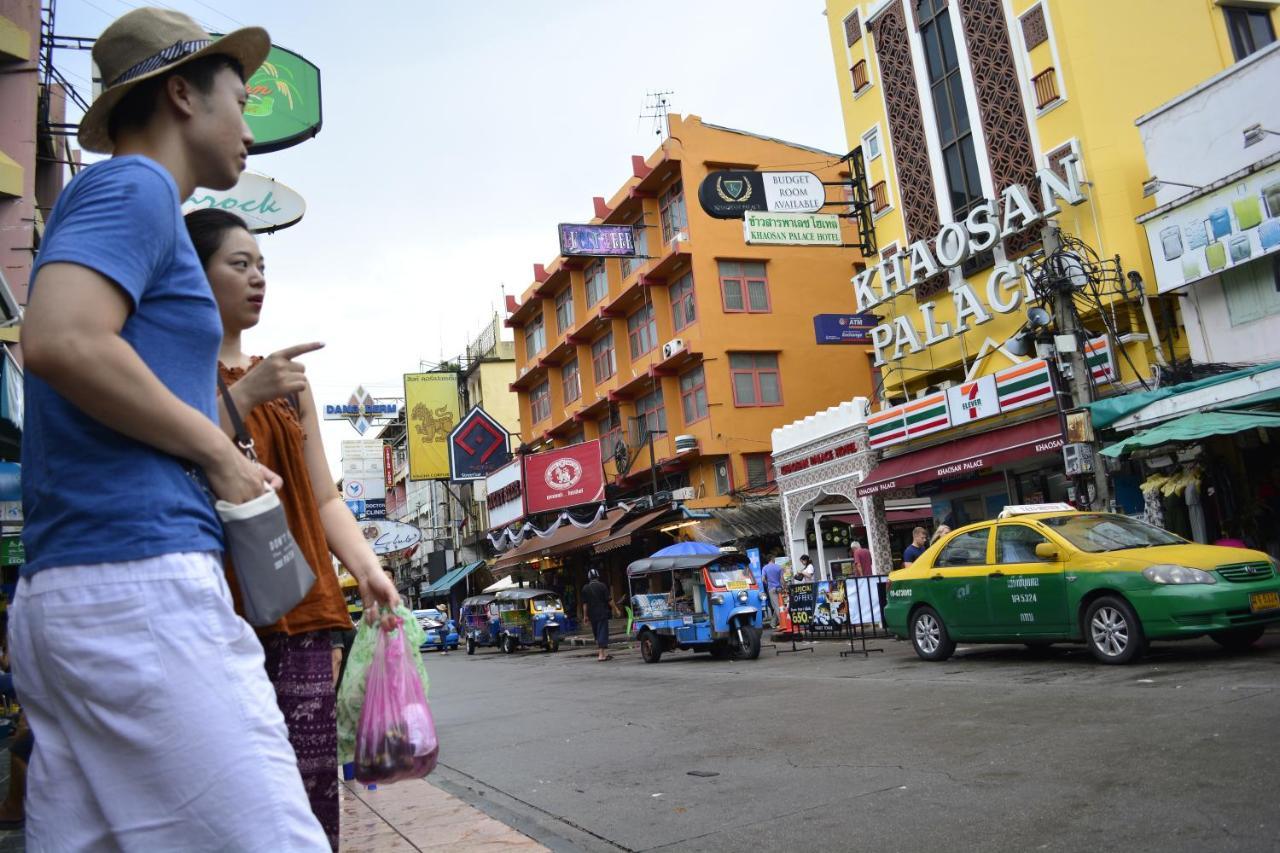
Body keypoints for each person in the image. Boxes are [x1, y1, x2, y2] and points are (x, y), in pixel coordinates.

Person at [9, 8, 335, 851]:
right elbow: (60, 338)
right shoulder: (135, 186)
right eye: (241, 101)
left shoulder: (121, 198)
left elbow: (106, 377)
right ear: (182, 94)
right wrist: (216, 452)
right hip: (138, 584)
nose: (250, 133)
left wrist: (218, 425)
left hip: (80, 586)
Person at [187, 208, 400, 849]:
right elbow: (176, 455)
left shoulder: (288, 381)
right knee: (225, 788)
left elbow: (325, 495)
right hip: (214, 612)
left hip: (304, 606)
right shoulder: (171, 372)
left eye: (262, 267)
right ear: (192, 273)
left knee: (309, 787)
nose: (257, 279)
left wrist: (367, 569)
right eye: (239, 264)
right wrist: (244, 394)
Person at [581, 568, 620, 662]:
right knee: (602, 633)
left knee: (597, 634)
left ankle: (603, 653)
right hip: (602, 613)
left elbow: (585, 604)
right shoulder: (602, 586)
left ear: (589, 578)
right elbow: (610, 600)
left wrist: (585, 616)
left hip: (592, 615)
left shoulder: (585, 588)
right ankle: (601, 655)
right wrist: (616, 610)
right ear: (598, 577)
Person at [762, 553, 785, 623]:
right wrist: (784, 587)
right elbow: (782, 579)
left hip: (771, 588)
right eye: (774, 558)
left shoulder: (765, 568)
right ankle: (773, 623)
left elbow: (763, 579)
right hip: (779, 588)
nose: (775, 560)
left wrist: (768, 583)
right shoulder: (779, 567)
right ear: (771, 559)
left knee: (776, 606)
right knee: (780, 604)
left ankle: (782, 622)